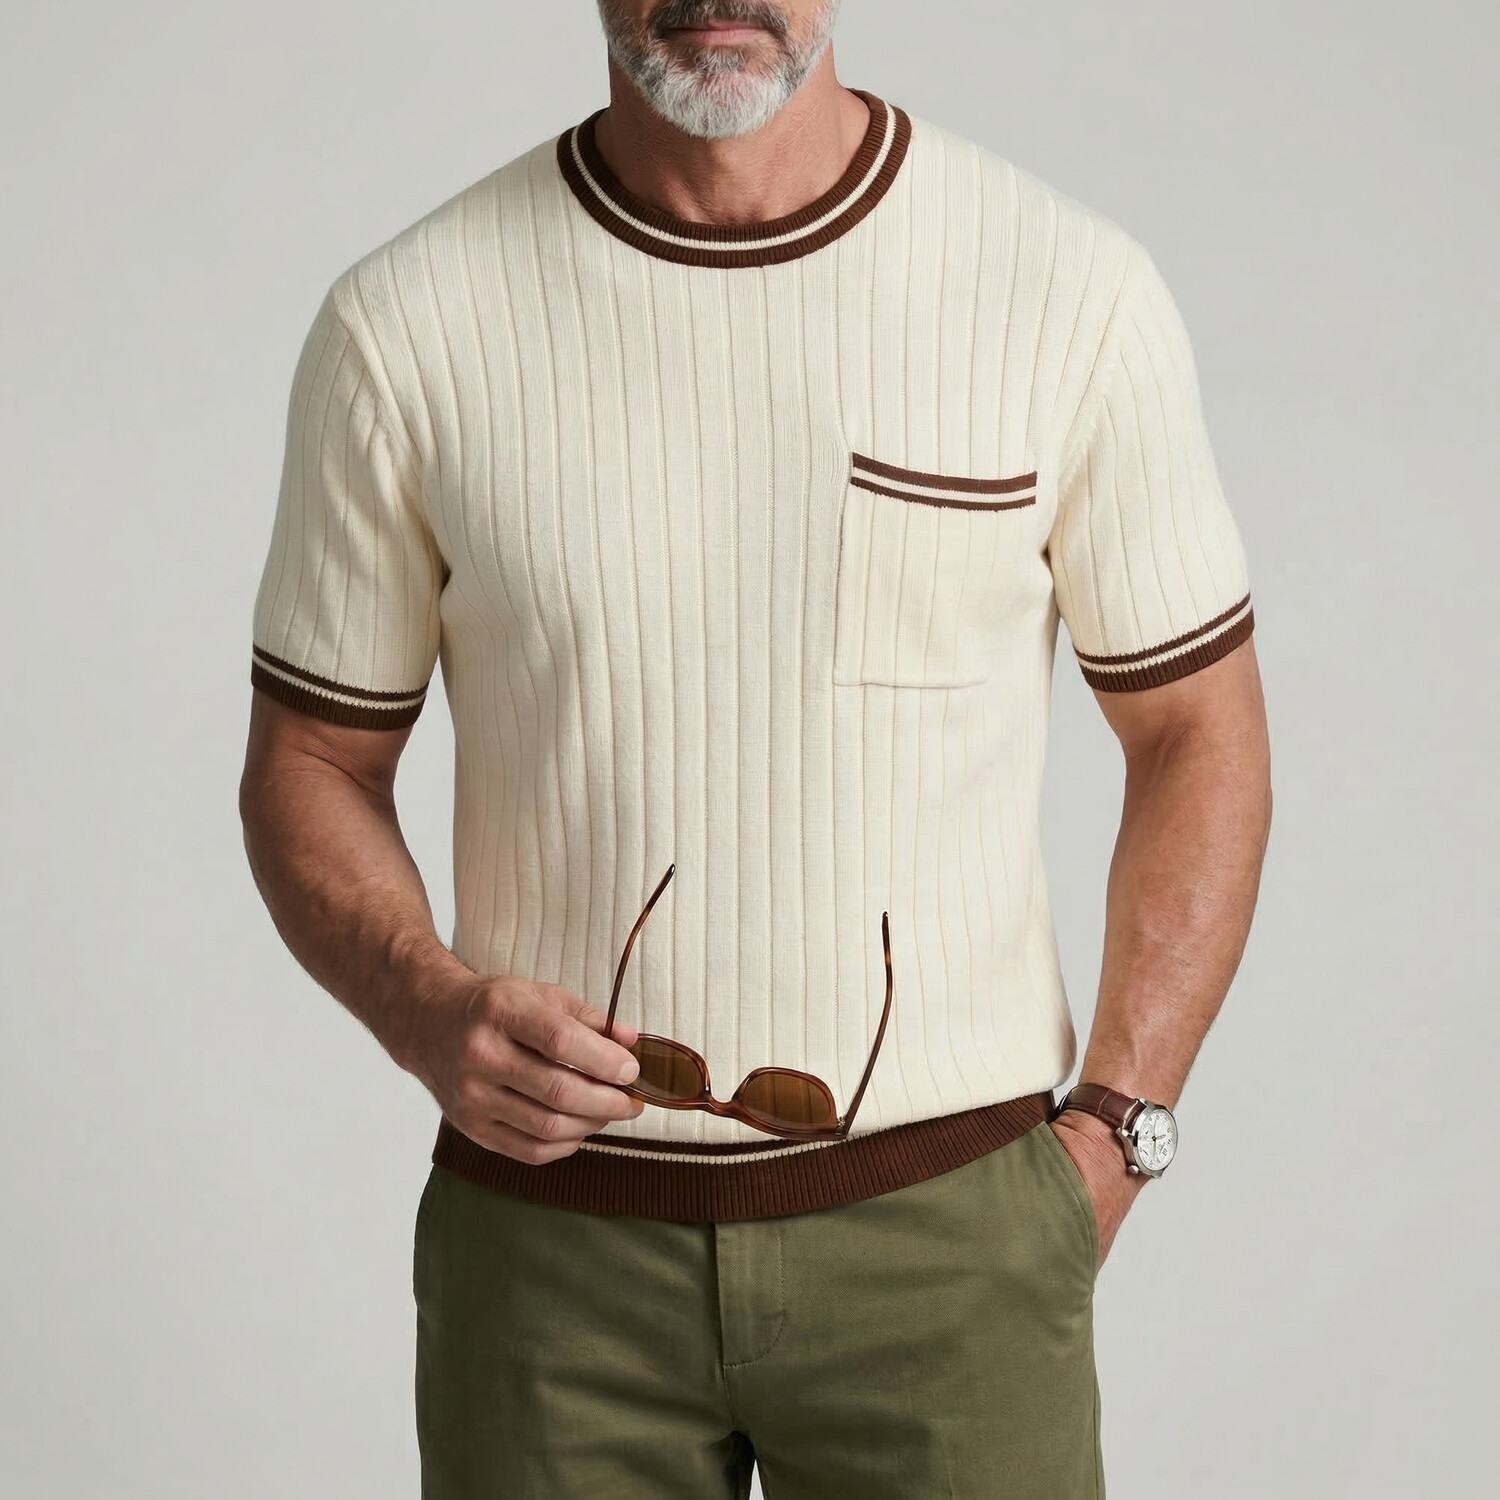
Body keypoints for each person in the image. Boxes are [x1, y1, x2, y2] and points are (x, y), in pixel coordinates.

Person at [238, 1, 1272, 1494]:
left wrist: (1118, 1129)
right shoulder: (406, 325)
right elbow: (313, 763)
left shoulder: (1067, 291)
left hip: (952, 1241)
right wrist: (420, 1006)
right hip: (548, 1252)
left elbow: (1196, 731)